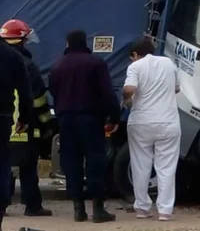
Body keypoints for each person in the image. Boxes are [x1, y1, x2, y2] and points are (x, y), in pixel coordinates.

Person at [48, 30, 120, 223]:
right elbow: (107, 93)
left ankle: (78, 209)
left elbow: (54, 92)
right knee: (95, 161)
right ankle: (98, 210)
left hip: (65, 120)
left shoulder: (57, 66)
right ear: (84, 42)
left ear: (67, 44)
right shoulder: (96, 63)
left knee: (71, 163)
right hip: (90, 119)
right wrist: (114, 118)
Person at [122, 38, 181, 221]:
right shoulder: (168, 63)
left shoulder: (136, 66)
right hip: (168, 123)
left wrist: (127, 99)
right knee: (167, 167)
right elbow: (177, 89)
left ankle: (142, 208)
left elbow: (129, 88)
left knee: (140, 165)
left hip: (141, 122)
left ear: (134, 54)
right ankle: (165, 211)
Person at [0, 20, 54, 217]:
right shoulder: (24, 64)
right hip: (20, 127)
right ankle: (32, 206)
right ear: (20, 40)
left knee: (5, 166)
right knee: (28, 168)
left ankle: (3, 206)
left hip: (7, 124)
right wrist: (48, 123)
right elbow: (36, 99)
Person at [0, 33, 33, 231]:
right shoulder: (12, 56)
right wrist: (24, 119)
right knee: (2, 163)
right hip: (2, 118)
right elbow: (25, 93)